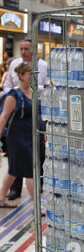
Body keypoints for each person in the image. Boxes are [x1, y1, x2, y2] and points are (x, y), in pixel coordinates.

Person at [3, 38, 47, 201]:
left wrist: (31, 89)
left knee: (35, 156)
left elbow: (47, 87)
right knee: (20, 161)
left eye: (26, 49)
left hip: (35, 114)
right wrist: (17, 92)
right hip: (17, 118)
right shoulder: (15, 66)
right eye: (21, 49)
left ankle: (37, 187)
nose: (23, 52)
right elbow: (7, 85)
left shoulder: (43, 66)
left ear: (34, 49)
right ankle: (17, 191)